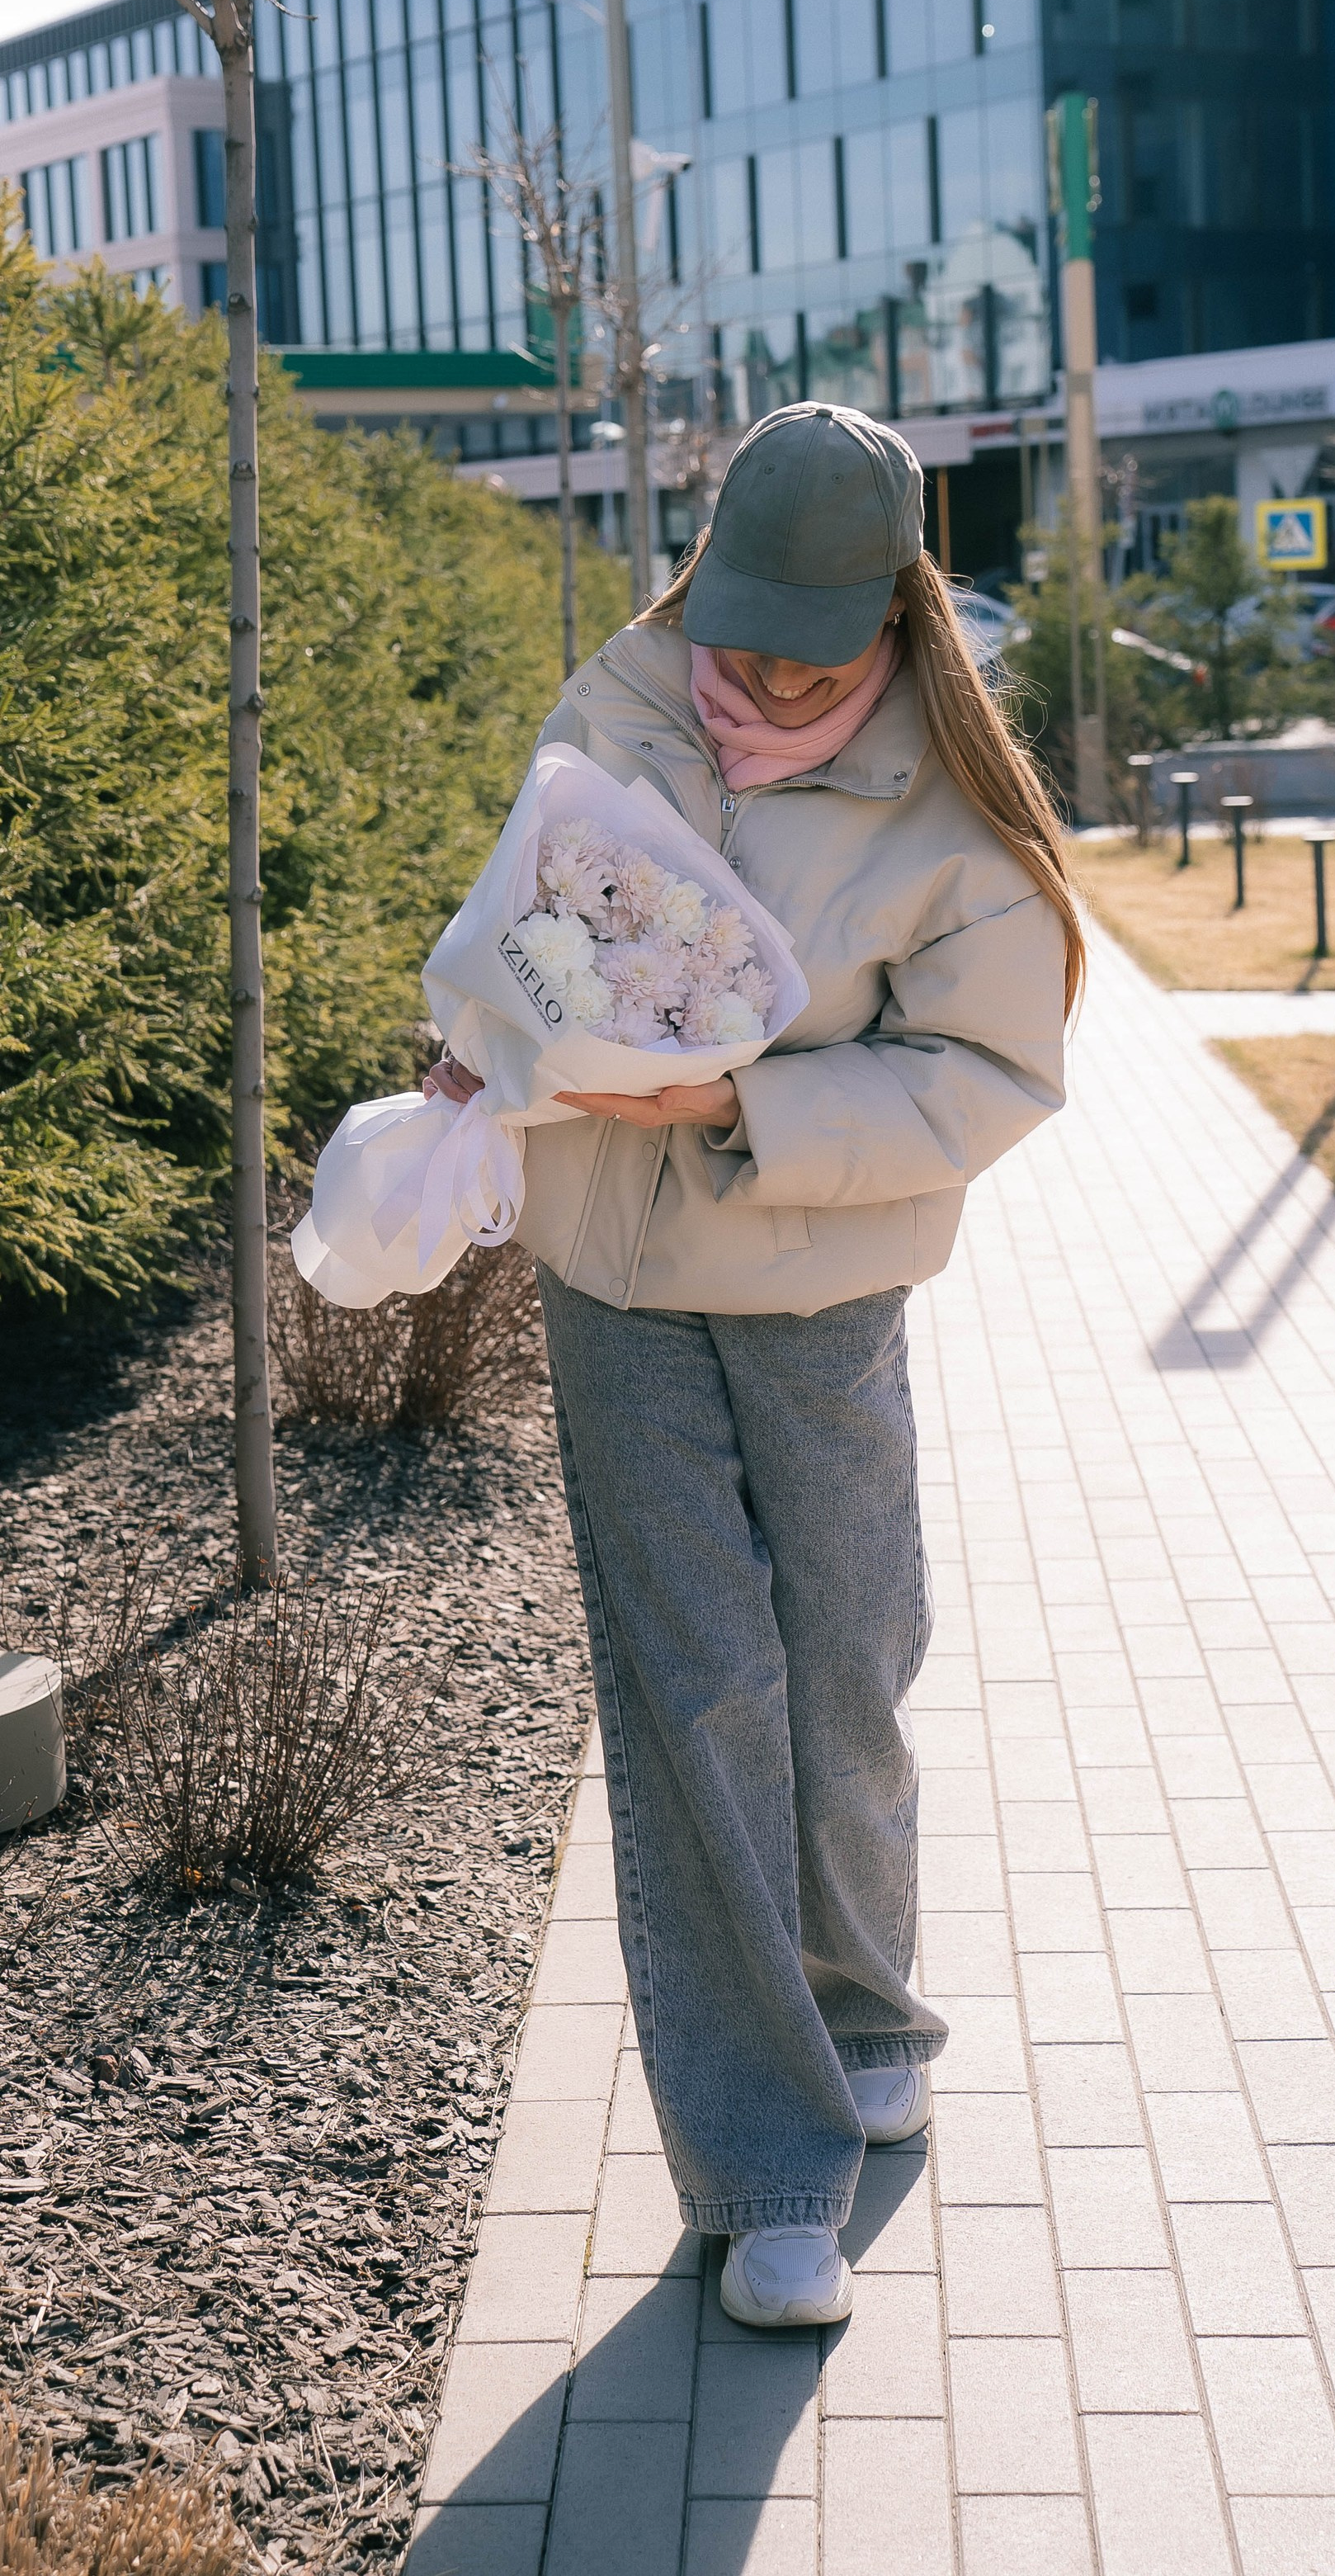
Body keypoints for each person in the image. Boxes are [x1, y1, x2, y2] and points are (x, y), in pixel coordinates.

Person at [425, 403, 1083, 2330]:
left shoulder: (952, 809)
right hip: (611, 1282)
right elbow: (511, 941)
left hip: (816, 1280)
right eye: (743, 624)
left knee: (854, 1654)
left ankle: (868, 2001)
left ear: (893, 608)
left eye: (815, 638)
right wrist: (472, 1051)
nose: (768, 674)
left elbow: (995, 1077)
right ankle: (766, 2167)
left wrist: (746, 1097)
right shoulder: (615, 703)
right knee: (700, 1687)